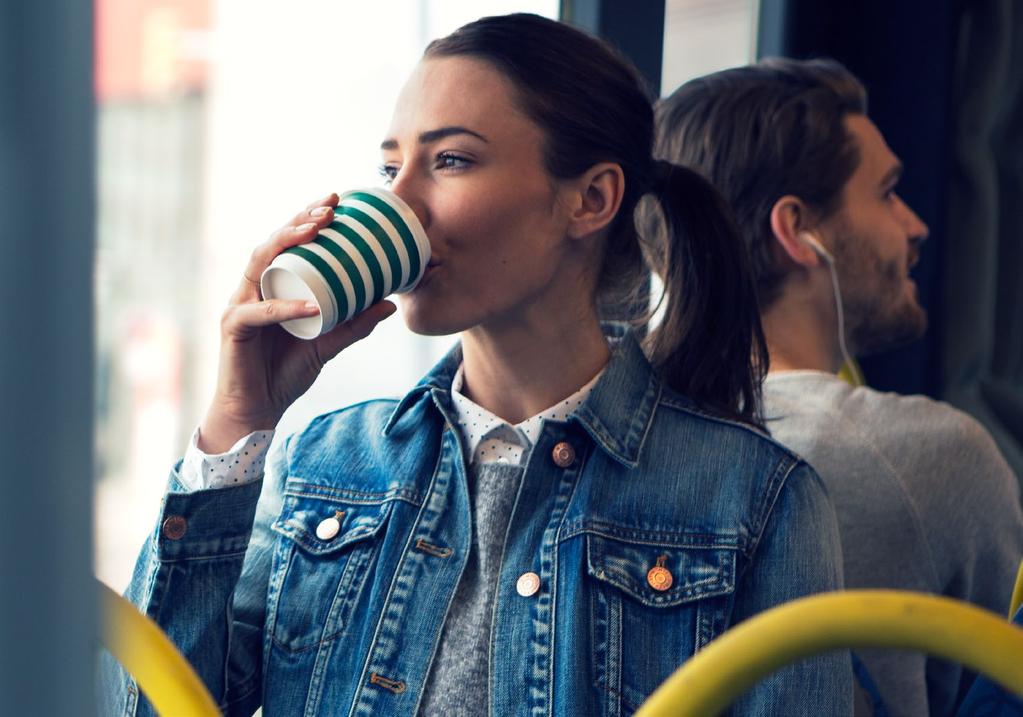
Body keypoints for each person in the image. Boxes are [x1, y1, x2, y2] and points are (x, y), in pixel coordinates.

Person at [100, 16, 852, 716]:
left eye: (450, 160)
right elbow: (146, 704)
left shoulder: (756, 502)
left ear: (590, 199)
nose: (400, 204)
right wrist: (237, 424)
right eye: (391, 167)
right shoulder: (324, 463)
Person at [655, 57, 1023, 715]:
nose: (914, 225)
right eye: (885, 192)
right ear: (795, 230)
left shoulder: (625, 438)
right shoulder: (925, 456)